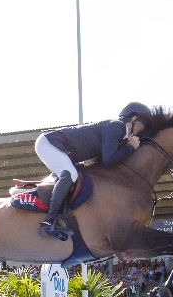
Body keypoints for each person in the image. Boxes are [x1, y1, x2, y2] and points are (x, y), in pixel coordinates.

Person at [33, 102, 151, 240]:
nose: (141, 130)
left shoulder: (119, 133)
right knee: (71, 174)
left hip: (52, 145)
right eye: (141, 126)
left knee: (72, 176)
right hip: (49, 143)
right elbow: (109, 158)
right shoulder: (117, 126)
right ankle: (49, 222)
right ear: (133, 118)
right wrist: (130, 147)